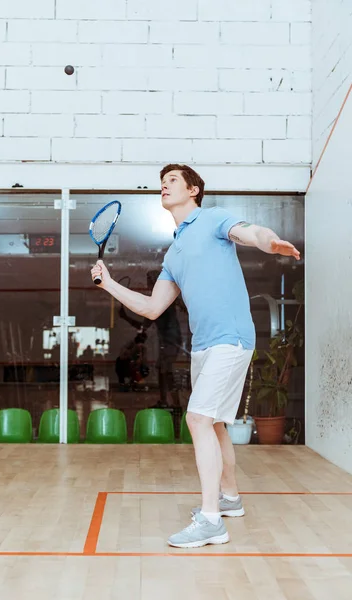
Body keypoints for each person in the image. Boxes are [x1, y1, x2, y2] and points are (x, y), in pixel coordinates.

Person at [91, 164, 300, 549]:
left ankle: (210, 521)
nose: (164, 187)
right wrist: (110, 286)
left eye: (171, 181)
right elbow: (153, 308)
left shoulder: (214, 219)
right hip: (204, 345)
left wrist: (271, 242)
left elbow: (251, 232)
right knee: (216, 424)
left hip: (231, 338)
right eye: (161, 183)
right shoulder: (175, 252)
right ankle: (230, 500)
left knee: (198, 419)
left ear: (194, 189)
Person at [119, 270, 183, 407]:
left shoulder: (163, 300)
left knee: (166, 371)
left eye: (150, 281)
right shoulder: (163, 299)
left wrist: (125, 317)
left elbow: (145, 324)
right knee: (163, 371)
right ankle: (166, 401)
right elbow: (145, 324)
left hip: (171, 341)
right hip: (167, 341)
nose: (148, 284)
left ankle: (174, 404)